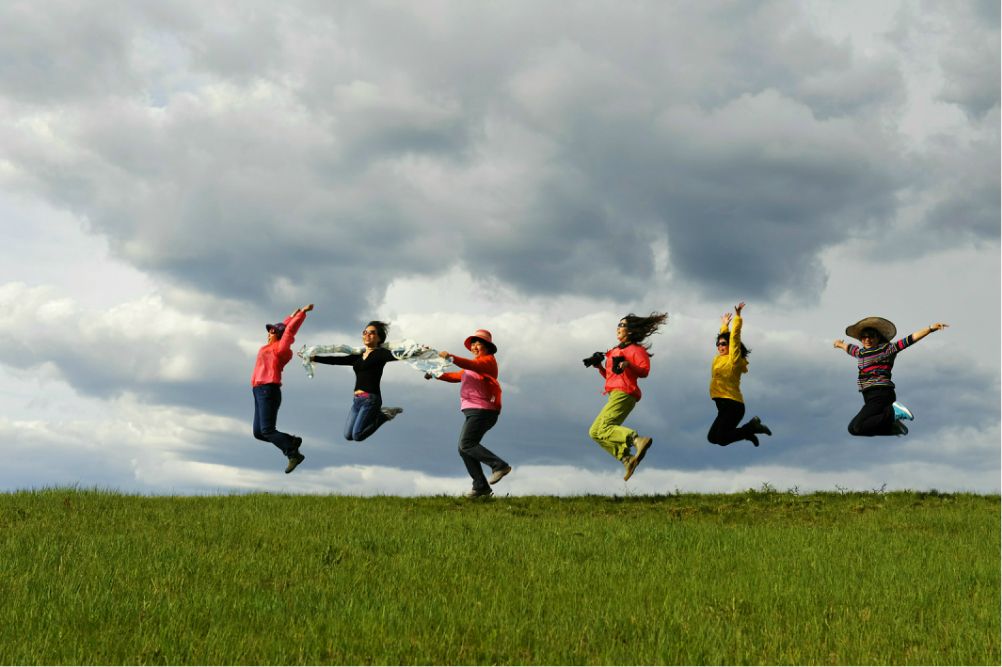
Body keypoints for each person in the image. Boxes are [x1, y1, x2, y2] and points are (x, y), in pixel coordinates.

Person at [585, 312, 668, 481]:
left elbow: (644, 371)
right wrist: (599, 366)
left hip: (625, 394)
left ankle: (636, 440)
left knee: (604, 427)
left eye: (622, 325)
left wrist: (628, 364)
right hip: (615, 392)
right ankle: (627, 459)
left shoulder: (636, 350)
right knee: (594, 432)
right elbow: (612, 377)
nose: (618, 328)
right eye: (618, 324)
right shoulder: (614, 351)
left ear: (630, 331)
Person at [429, 329, 510, 498]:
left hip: (483, 410)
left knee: (466, 444)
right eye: (472, 343)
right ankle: (481, 486)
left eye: (478, 343)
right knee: (464, 448)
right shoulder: (470, 368)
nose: (474, 346)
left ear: (487, 346)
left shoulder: (488, 362)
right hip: (473, 411)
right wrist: (435, 374)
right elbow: (453, 376)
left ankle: (499, 466)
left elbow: (471, 365)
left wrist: (450, 357)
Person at [834, 317, 949, 436]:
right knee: (853, 429)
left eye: (871, 336)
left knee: (858, 426)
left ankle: (893, 413)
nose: (867, 339)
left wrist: (930, 329)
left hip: (881, 393)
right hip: (869, 396)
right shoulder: (860, 352)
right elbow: (848, 348)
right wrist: (840, 344)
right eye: (864, 337)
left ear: (878, 337)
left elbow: (909, 340)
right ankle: (891, 427)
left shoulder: (887, 349)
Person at [309, 321, 404, 442]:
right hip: (357, 400)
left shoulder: (381, 354)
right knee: (348, 435)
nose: (367, 335)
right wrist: (313, 358)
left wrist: (424, 352)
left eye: (372, 333)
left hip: (371, 399)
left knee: (357, 435)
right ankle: (380, 415)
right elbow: (336, 360)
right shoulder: (358, 356)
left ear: (379, 338)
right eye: (365, 332)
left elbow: (401, 355)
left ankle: (384, 415)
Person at [251, 303, 313, 473]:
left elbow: (289, 331)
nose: (268, 332)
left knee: (267, 430)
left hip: (268, 390)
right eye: (269, 330)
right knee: (259, 433)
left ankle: (293, 453)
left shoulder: (280, 349)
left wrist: (301, 314)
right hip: (258, 391)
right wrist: (291, 315)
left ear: (277, 334)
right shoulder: (268, 347)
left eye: (271, 330)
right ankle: (290, 441)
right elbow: (285, 326)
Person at [707, 302, 772, 447]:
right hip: (723, 406)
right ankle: (748, 431)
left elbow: (734, 338)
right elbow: (725, 337)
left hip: (733, 405)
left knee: (722, 439)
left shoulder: (734, 360)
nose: (720, 346)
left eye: (723, 344)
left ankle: (751, 428)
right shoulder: (718, 359)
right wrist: (724, 326)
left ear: (730, 346)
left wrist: (737, 318)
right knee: (712, 438)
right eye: (718, 344)